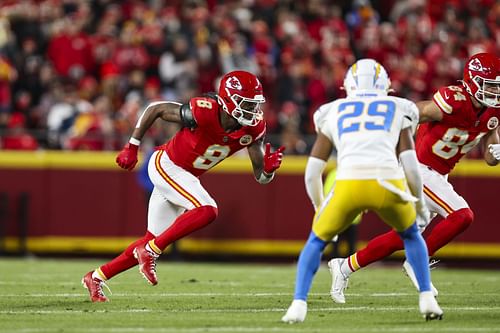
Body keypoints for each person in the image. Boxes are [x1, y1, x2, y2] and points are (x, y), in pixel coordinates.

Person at [82, 70, 285, 302]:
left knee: (151, 239)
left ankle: (96, 277)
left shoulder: (253, 128)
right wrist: (132, 145)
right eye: (246, 104)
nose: (252, 111)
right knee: (207, 209)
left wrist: (268, 170)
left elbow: (260, 177)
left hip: (185, 175)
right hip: (166, 165)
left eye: (254, 105)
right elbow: (155, 109)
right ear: (228, 100)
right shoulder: (204, 110)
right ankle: (150, 252)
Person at [328, 52, 500, 303]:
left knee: (403, 236)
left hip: (438, 175)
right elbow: (415, 111)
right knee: (463, 215)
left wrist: (497, 152)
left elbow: (489, 156)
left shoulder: (491, 112)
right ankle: (417, 262)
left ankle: (344, 267)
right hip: (418, 169)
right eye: (490, 86)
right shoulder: (453, 100)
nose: (495, 93)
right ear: (473, 81)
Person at [281, 59, 443, 323]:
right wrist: (420, 203)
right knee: (412, 235)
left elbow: (312, 170)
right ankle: (427, 298)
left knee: (316, 241)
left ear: (348, 85)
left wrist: (318, 205)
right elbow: (411, 166)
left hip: (349, 184)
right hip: (388, 182)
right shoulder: (398, 107)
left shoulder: (332, 111)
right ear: (385, 85)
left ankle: (298, 304)